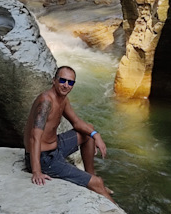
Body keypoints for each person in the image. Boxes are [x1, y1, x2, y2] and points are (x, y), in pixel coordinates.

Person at [24, 66, 112, 198]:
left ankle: (91, 176)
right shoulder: (46, 102)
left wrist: (96, 134)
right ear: (54, 80)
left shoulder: (62, 99)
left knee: (88, 131)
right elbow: (34, 138)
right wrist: (36, 171)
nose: (66, 85)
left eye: (70, 82)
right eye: (63, 81)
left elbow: (76, 122)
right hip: (44, 159)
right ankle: (96, 185)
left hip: (56, 146)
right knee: (98, 183)